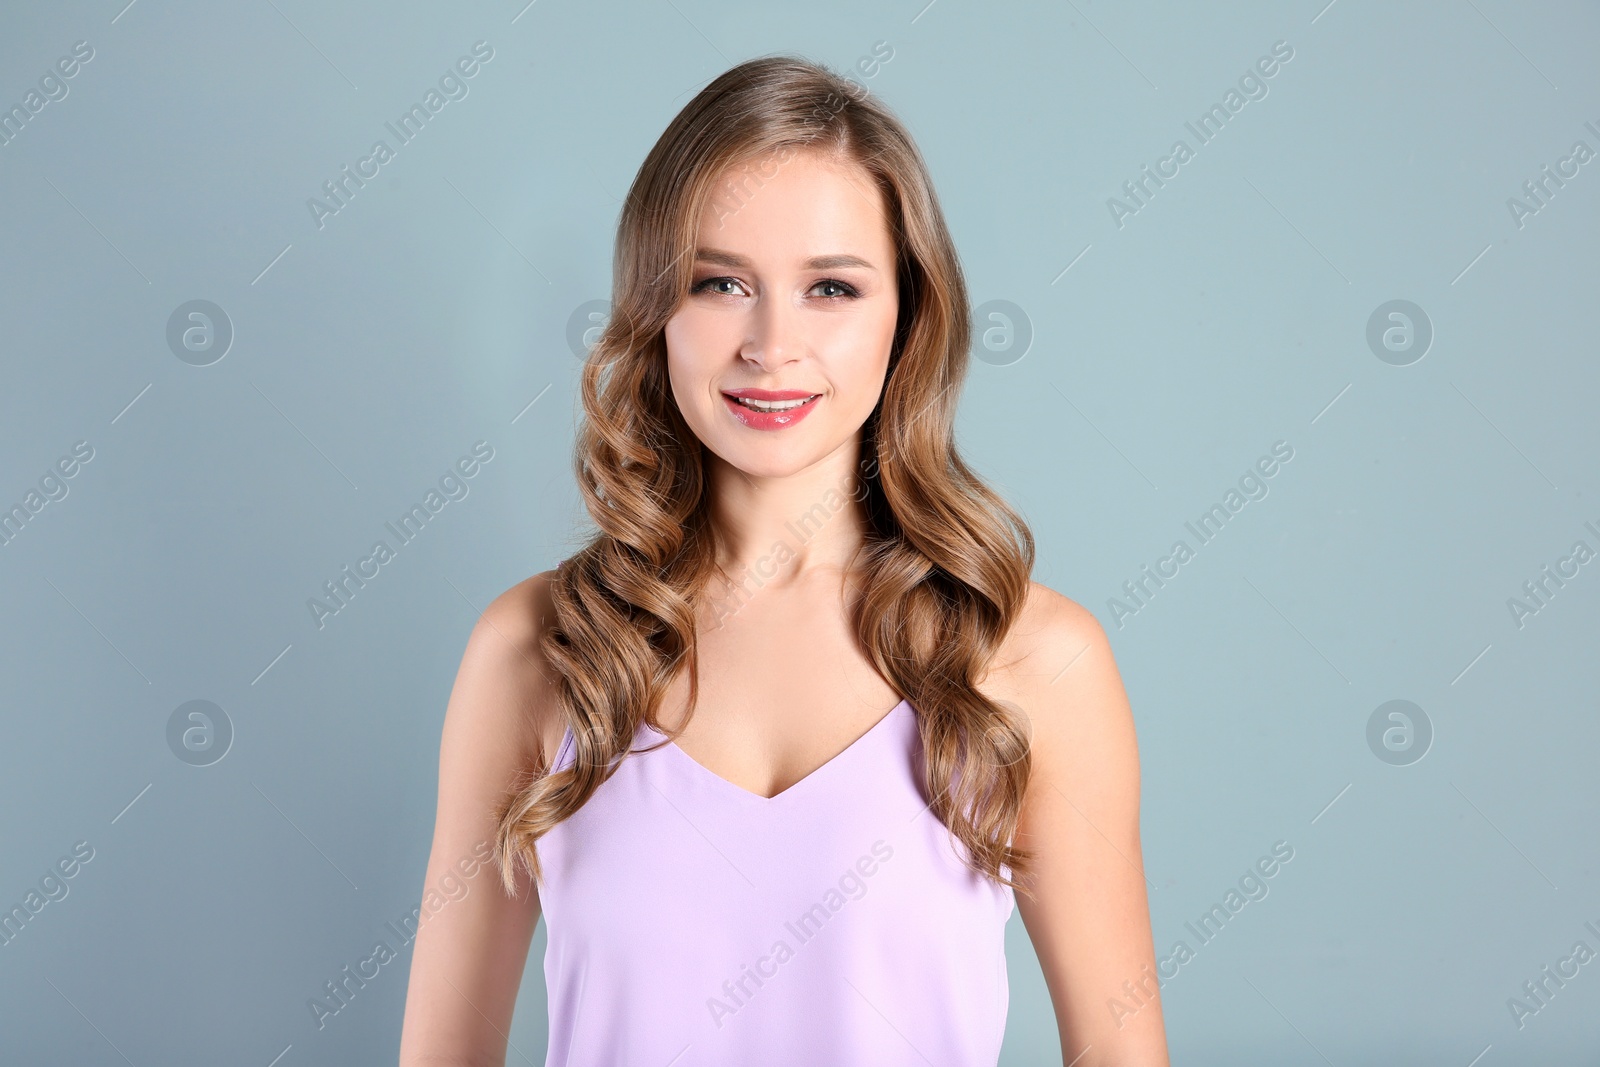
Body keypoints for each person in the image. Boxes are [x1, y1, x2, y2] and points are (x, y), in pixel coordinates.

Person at [398, 53, 1169, 1067]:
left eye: (830, 288)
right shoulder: (534, 650)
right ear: (654, 309)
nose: (771, 343)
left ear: (905, 318)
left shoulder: (1035, 658)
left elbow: (1120, 1051)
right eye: (719, 282)